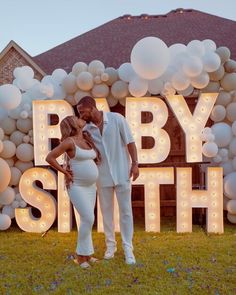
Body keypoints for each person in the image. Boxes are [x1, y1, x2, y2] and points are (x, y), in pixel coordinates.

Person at [76, 96, 139, 265]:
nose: (80, 115)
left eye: (82, 111)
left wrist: (135, 164)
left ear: (92, 108)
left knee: (126, 212)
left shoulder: (117, 119)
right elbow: (74, 143)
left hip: (122, 172)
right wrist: (81, 130)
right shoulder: (85, 129)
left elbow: (130, 142)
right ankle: (110, 246)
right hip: (101, 175)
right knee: (106, 213)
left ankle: (128, 248)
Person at [46, 115, 101, 269]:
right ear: (72, 124)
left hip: (91, 186)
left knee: (87, 220)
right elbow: (50, 157)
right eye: (76, 118)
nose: (80, 118)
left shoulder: (85, 139)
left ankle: (87, 255)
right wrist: (65, 172)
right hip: (77, 185)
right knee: (88, 218)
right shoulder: (69, 142)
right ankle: (80, 257)